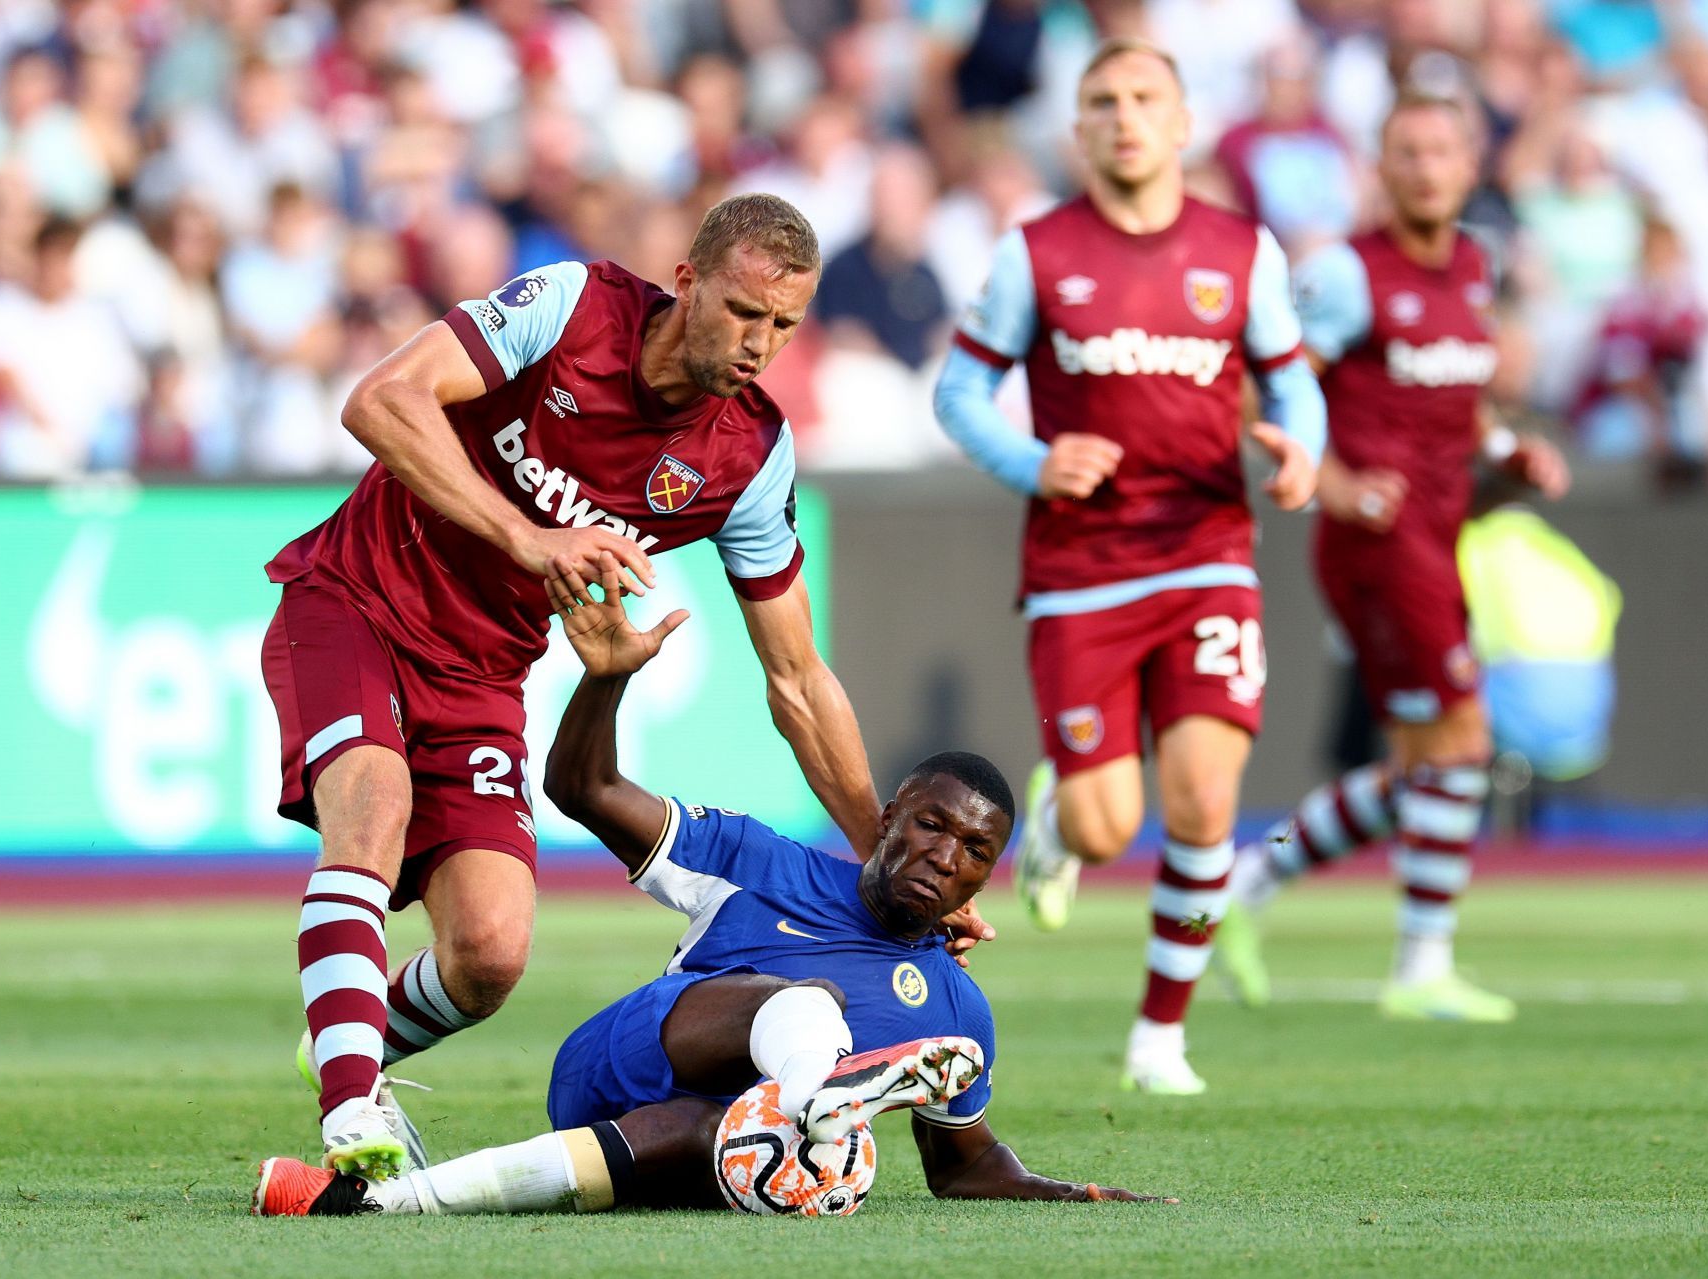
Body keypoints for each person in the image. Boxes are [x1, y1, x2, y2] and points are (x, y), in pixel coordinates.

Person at [262, 193, 938, 1181]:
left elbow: (797, 677)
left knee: (490, 952)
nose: (759, 344)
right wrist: (528, 538)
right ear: (688, 282)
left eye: (783, 326)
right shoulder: (573, 309)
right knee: (373, 804)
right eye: (743, 313)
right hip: (356, 597)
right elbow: (379, 399)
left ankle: (348, 1027)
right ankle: (349, 1103)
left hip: (485, 669)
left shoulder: (748, 456)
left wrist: (882, 854)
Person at [252, 561, 1171, 1216]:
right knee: (800, 1005)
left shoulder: (958, 1009)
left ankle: (392, 1203)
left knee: (723, 1133)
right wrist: (605, 681)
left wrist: (1076, 1192)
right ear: (887, 813)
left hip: (687, 1142)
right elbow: (585, 789)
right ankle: (820, 1085)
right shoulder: (758, 858)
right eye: (931, 823)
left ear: (986, 876)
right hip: (618, 1063)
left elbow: (963, 1168)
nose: (943, 854)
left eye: (973, 850)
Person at [932, 38, 1326, 1095]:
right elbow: (959, 395)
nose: (1124, 117)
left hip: (1207, 557)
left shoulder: (1243, 251)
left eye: (1145, 98)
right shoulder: (1037, 253)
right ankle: (1061, 823)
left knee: (1203, 800)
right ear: (1079, 129)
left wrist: (1302, 451)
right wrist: (1034, 458)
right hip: (1081, 573)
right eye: (1102, 101)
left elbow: (1294, 389)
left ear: (1184, 122)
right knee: (1110, 826)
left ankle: (1161, 1034)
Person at [1215, 94, 1571, 1022]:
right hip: (1378, 545)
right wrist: (1328, 480)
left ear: (1469, 166)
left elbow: (1458, 407)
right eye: (1407, 151)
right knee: (1461, 743)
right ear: (1381, 165)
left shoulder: (1474, 269)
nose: (1425, 167)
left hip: (1438, 533)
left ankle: (1245, 884)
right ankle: (1420, 965)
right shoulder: (1348, 276)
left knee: (1430, 760)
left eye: (1442, 150)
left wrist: (1508, 455)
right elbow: (1271, 387)